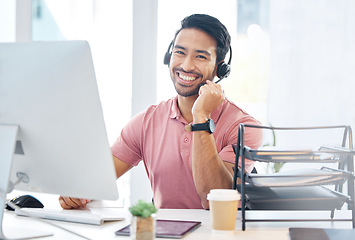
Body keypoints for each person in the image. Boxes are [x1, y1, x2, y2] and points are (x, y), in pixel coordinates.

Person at [59, 14, 262, 210]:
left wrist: (201, 117)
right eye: (180, 52)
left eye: (200, 56)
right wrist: (75, 193)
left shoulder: (244, 127)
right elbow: (96, 180)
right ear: (169, 56)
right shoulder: (147, 122)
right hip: (164, 234)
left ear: (221, 69)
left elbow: (214, 198)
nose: (186, 65)